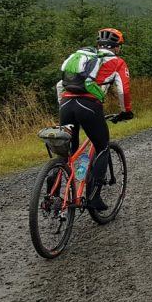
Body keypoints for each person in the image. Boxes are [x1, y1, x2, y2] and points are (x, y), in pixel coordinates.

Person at [55, 28, 133, 211]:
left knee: (67, 152)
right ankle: (93, 197)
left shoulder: (83, 58)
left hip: (66, 104)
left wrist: (63, 107)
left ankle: (54, 194)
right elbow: (123, 90)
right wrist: (126, 111)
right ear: (117, 47)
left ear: (98, 44)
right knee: (102, 146)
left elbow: (60, 84)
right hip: (89, 106)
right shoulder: (117, 62)